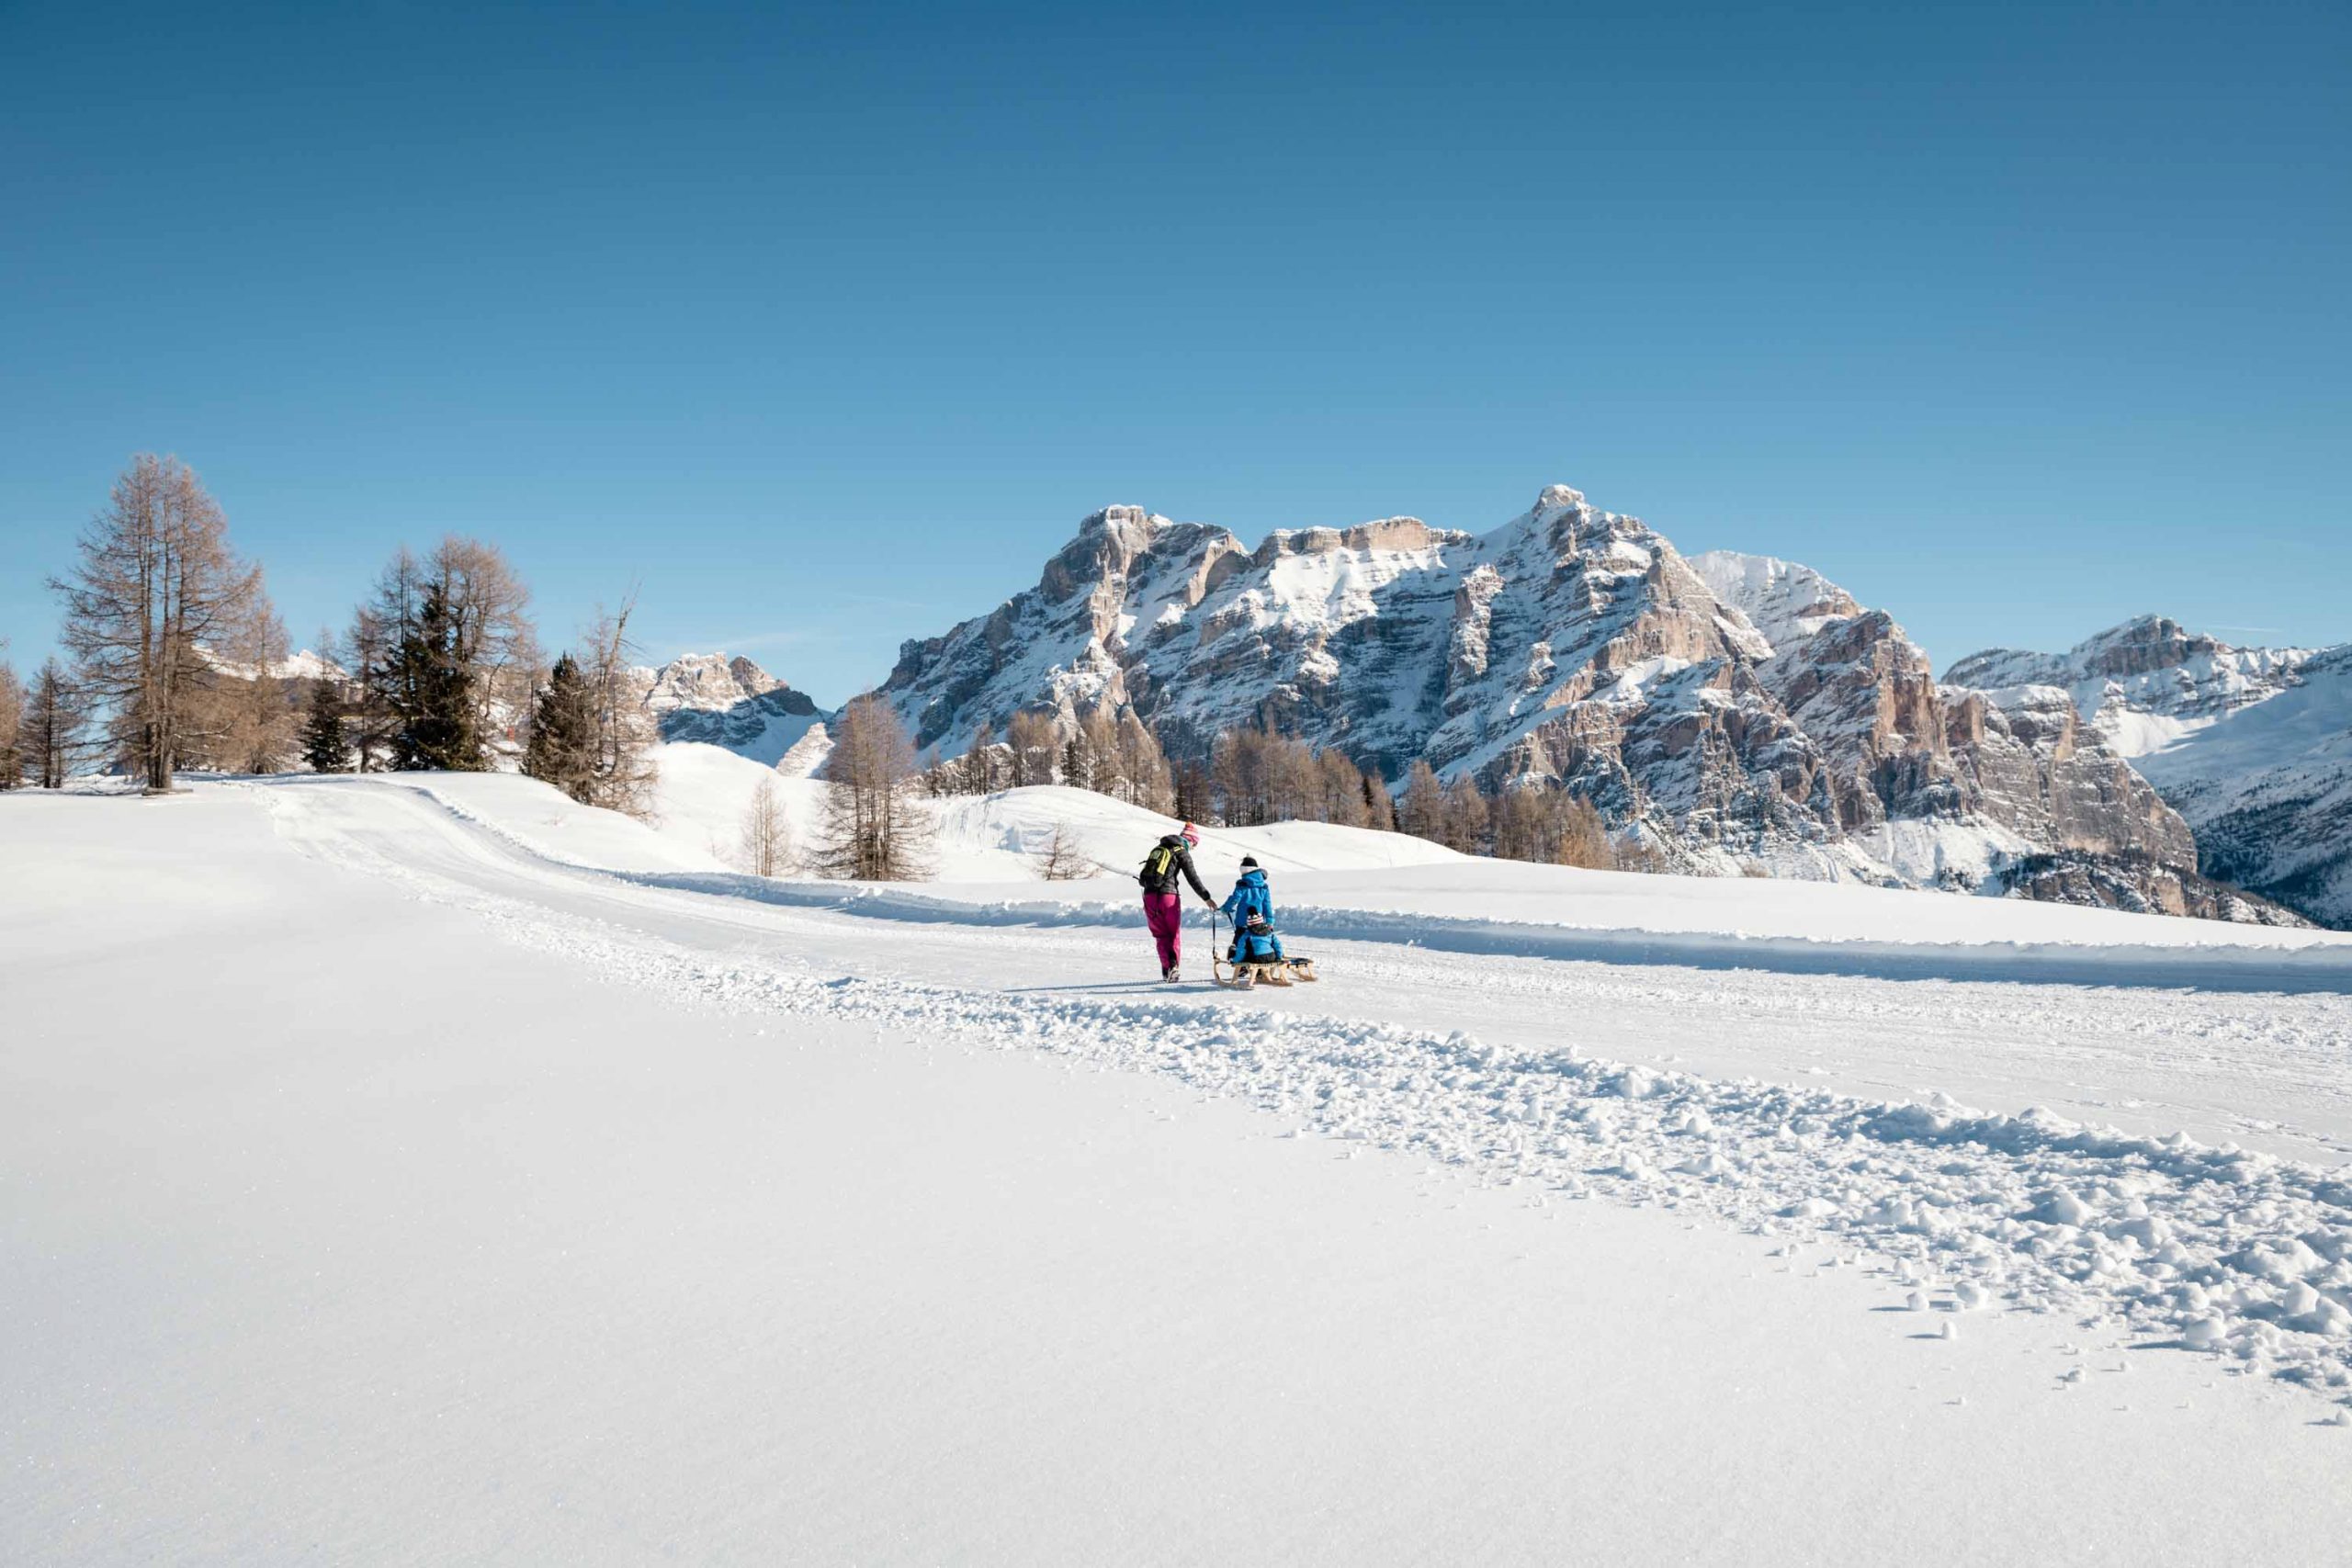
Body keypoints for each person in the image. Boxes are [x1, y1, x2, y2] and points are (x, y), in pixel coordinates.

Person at [1137, 822, 1216, 981]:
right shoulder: (1182, 852)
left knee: (1160, 935)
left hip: (1149, 896)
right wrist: (1206, 897)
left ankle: (1166, 970)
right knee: (1173, 934)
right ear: (1191, 841)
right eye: (1194, 844)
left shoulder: (1159, 849)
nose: (1193, 848)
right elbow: (1192, 878)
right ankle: (1173, 968)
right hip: (1169, 897)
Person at [1219, 855, 1286, 968]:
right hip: (1259, 922)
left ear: (1244, 871)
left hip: (1243, 922)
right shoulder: (1263, 886)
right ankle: (1260, 967)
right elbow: (1267, 905)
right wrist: (1269, 921)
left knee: (1239, 945)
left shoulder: (1242, 884)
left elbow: (1235, 898)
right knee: (1258, 944)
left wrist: (1226, 908)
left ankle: (1240, 967)